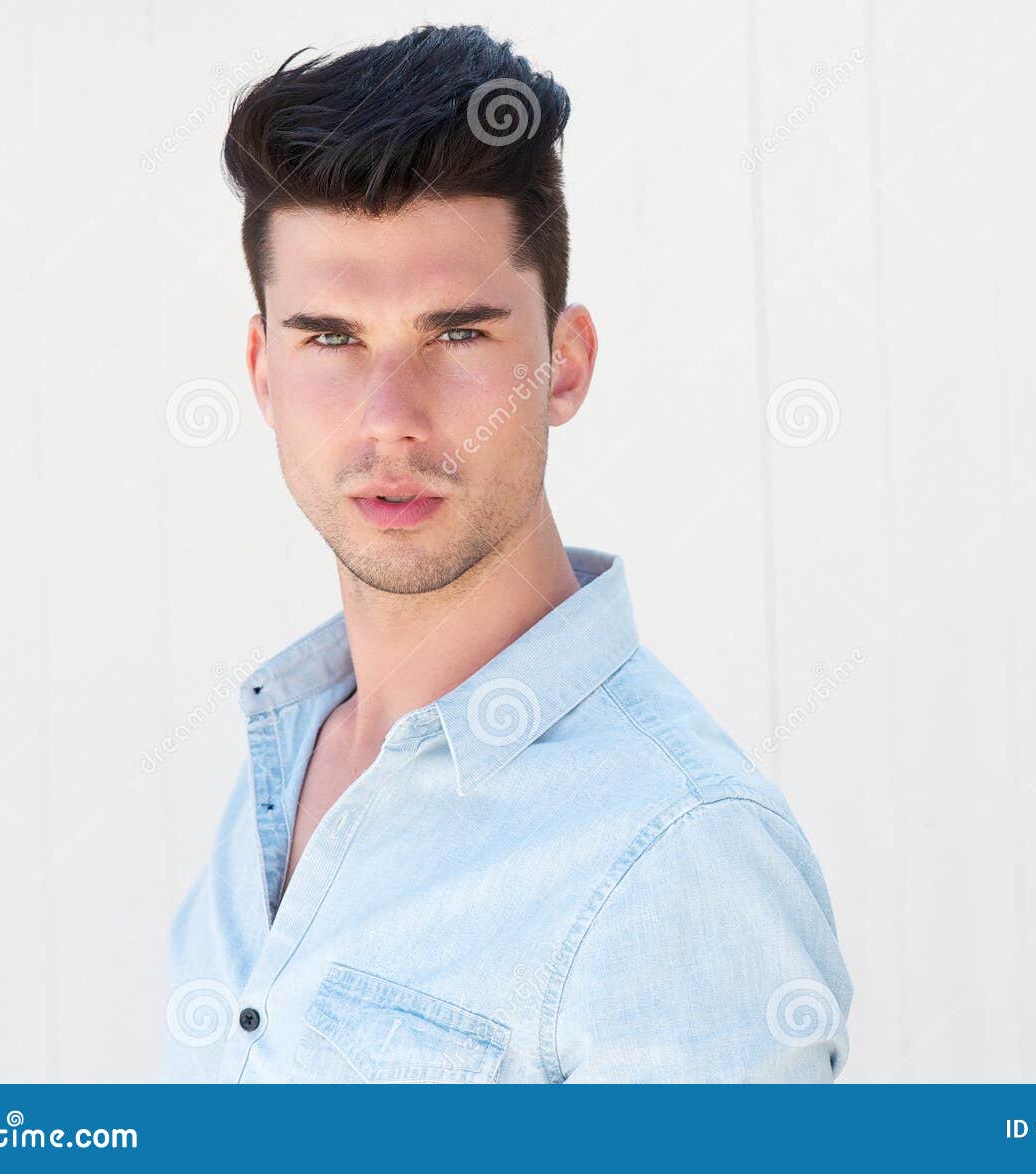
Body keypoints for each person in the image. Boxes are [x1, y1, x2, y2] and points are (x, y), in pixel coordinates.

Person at [161, 23, 851, 1082]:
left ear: (564, 364)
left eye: (457, 335)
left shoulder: (678, 855)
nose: (390, 418)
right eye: (331, 339)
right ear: (263, 370)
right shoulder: (286, 758)